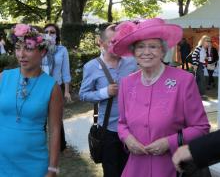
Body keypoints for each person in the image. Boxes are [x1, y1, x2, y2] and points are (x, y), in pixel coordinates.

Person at [109, 18, 210, 177]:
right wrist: (127, 139)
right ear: (134, 52)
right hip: (136, 168)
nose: (146, 52)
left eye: (153, 46)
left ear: (163, 51)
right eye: (141, 47)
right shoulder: (127, 83)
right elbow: (122, 124)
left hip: (172, 167)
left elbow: (201, 127)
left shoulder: (183, 80)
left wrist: (169, 142)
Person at [0, 24, 63, 176]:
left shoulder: (52, 87)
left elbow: (55, 130)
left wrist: (53, 168)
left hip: (34, 165)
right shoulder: (3, 78)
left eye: (28, 48)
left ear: (42, 51)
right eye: (18, 48)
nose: (21, 54)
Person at [79, 24, 137, 177]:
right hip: (108, 131)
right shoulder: (91, 67)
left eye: (119, 41)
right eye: (112, 42)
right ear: (101, 42)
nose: (117, 45)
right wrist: (105, 92)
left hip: (133, 129)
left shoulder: (132, 62)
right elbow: (83, 95)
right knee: (111, 172)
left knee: (131, 171)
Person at [41, 23, 71, 153]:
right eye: (46, 31)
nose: (49, 34)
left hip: (56, 87)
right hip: (40, 87)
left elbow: (65, 71)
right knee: (40, 117)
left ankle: (60, 145)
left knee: (56, 117)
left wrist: (67, 91)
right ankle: (40, 144)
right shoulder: (39, 49)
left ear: (57, 34)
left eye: (52, 32)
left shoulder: (62, 50)